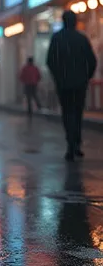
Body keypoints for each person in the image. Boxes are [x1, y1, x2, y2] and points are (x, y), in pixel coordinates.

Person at [47, 10, 97, 161]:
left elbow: (50, 61)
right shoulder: (81, 39)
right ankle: (76, 143)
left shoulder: (57, 39)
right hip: (79, 83)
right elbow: (92, 60)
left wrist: (58, 78)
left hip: (64, 84)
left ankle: (70, 144)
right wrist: (86, 77)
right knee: (77, 112)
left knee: (67, 113)